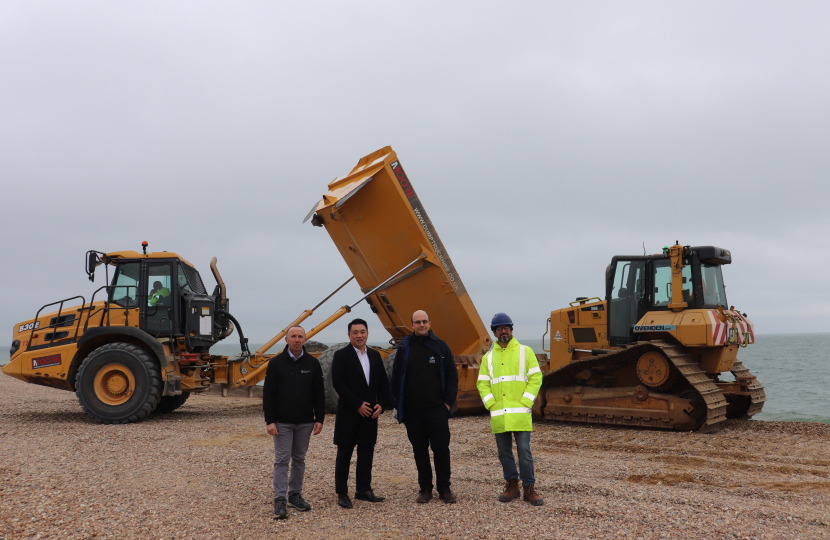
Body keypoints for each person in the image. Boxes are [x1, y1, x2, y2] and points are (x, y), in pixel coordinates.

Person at [476, 313, 544, 506]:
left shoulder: (525, 352)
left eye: (506, 327)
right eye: (499, 328)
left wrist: (526, 401)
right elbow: (482, 384)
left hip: (520, 414)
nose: (503, 330)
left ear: (511, 330)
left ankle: (529, 489)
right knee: (504, 453)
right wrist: (491, 404)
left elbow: (536, 378)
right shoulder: (488, 358)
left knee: (524, 451)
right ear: (495, 332)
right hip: (499, 414)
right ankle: (511, 486)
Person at [391, 310, 458, 504]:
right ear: (411, 325)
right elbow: (396, 378)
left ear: (430, 323)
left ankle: (444, 489)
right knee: (420, 450)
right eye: (417, 322)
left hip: (437, 408)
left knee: (441, 449)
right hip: (413, 411)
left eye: (424, 321)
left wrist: (447, 403)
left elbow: (452, 376)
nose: (421, 325)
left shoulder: (440, 346)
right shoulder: (405, 348)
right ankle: (425, 489)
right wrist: (399, 403)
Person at [262, 326, 325, 520]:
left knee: (299, 459)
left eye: (300, 337)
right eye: (293, 337)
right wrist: (270, 421)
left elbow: (319, 394)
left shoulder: (313, 364)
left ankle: (295, 495)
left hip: (305, 422)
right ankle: (280, 499)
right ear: (287, 340)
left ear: (305, 340)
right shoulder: (276, 363)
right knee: (282, 460)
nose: (297, 340)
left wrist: (319, 419)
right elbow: (268, 394)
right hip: (282, 422)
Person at [331, 318, 394, 509]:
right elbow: (339, 383)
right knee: (344, 454)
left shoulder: (375, 355)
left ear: (367, 334)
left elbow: (383, 383)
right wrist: (357, 404)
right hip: (349, 413)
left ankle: (363, 489)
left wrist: (382, 405)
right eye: (355, 332)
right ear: (349, 335)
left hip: (370, 414)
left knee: (367, 452)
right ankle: (342, 493)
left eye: (362, 332)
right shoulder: (341, 355)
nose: (359, 335)